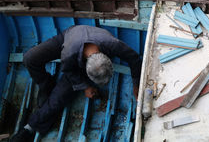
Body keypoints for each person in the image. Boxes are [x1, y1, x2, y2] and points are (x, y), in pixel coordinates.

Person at [10, 25, 142, 142]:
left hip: (79, 40)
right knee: (29, 59)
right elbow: (68, 71)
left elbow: (134, 58)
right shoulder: (68, 56)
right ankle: (46, 85)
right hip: (67, 38)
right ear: (86, 70)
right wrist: (85, 86)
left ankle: (30, 127)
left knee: (58, 97)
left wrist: (136, 83)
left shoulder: (113, 44)